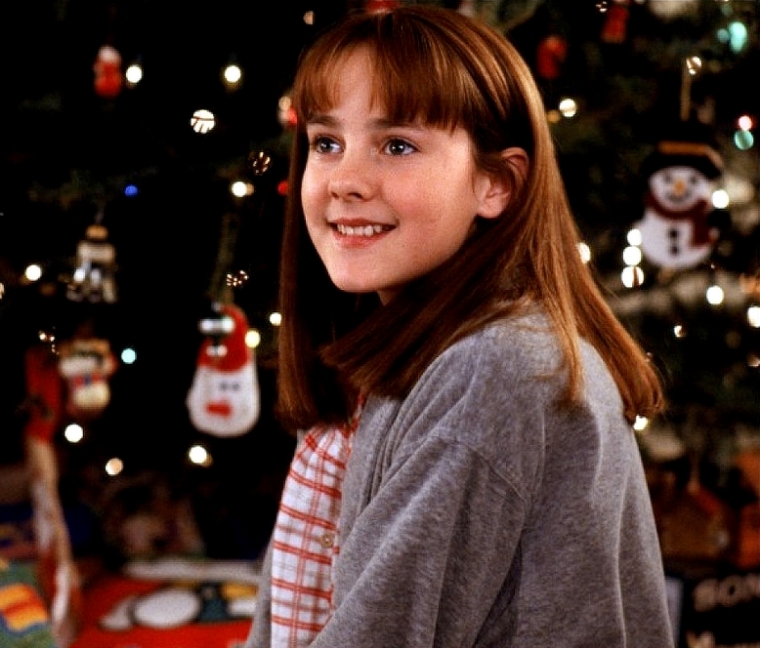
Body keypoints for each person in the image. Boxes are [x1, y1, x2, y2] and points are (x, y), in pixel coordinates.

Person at [245, 6, 673, 648]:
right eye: (326, 143)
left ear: (495, 184)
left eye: (397, 145)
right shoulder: (393, 354)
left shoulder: (493, 370)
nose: (345, 181)